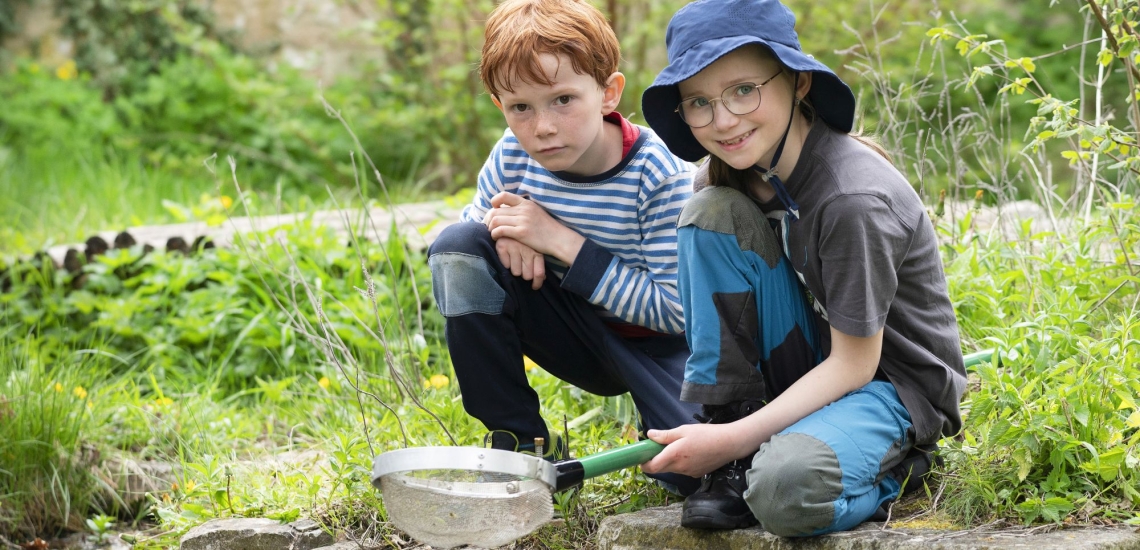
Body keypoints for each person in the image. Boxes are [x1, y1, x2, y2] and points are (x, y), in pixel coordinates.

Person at [637, 0, 967, 536]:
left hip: (889, 385)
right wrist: (727, 436)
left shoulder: (851, 199)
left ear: (799, 82)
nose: (723, 121)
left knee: (784, 491)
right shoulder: (729, 180)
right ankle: (730, 452)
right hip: (811, 362)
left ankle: (898, 470)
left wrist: (741, 438)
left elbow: (856, 365)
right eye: (698, 102)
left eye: (744, 90)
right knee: (708, 212)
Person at [426, 0, 701, 494]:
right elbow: (468, 252)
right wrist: (506, 231)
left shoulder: (658, 174)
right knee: (457, 247)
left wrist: (560, 241)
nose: (542, 127)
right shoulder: (512, 155)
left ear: (608, 93)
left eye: (562, 100)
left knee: (694, 472)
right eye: (520, 108)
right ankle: (520, 440)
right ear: (499, 106)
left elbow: (678, 312)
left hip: (666, 347)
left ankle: (659, 425)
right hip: (576, 329)